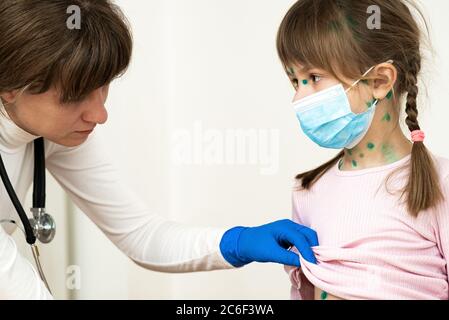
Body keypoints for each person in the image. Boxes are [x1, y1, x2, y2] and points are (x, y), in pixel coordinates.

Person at [0, 0, 318, 299]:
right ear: (10, 85)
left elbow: (141, 236)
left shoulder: (56, 132)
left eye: (103, 86)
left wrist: (236, 243)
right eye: (75, 96)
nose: (100, 115)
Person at [278, 0, 449, 300]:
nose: (298, 99)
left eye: (314, 78)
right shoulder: (307, 190)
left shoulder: (441, 185)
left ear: (380, 81)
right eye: (295, 81)